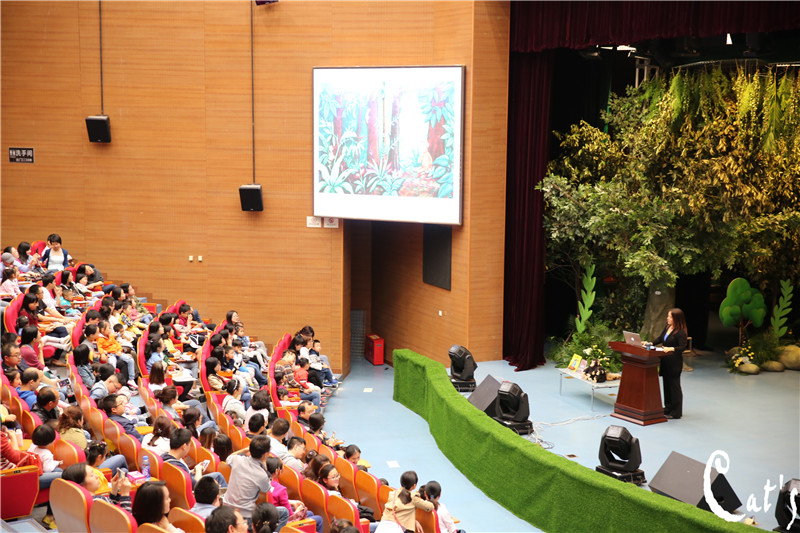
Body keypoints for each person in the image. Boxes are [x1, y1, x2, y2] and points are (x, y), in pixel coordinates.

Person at [223, 435, 289, 526]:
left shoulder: (237, 460)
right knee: (284, 512)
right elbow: (267, 490)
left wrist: (245, 450)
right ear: (266, 454)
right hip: (246, 516)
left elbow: (229, 457)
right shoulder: (262, 475)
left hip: (226, 508)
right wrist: (264, 465)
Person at [644, 307, 688, 420]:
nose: (667, 318)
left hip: (674, 362)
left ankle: (676, 412)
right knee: (666, 385)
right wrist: (650, 343)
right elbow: (660, 338)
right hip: (665, 361)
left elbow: (682, 347)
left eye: (670, 317)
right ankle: (668, 408)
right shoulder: (668, 327)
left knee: (674, 386)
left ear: (676, 319)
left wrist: (671, 348)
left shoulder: (681, 332)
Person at [266, 457, 322, 533]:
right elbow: (290, 515)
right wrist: (298, 510)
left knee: (310, 513)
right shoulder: (280, 489)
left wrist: (291, 502)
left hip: (269, 518)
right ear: (277, 471)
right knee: (319, 519)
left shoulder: (261, 484)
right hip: (281, 523)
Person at [161, 427, 227, 489]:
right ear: (184, 447)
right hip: (194, 488)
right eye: (189, 445)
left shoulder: (164, 457)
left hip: (185, 482)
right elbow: (198, 485)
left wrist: (192, 471)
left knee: (218, 475)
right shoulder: (178, 467)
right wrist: (198, 470)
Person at [61, 462, 132, 511]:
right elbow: (125, 522)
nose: (97, 476)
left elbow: (110, 506)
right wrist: (125, 494)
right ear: (81, 484)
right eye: (92, 475)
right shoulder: (98, 503)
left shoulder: (76, 502)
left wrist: (114, 489)